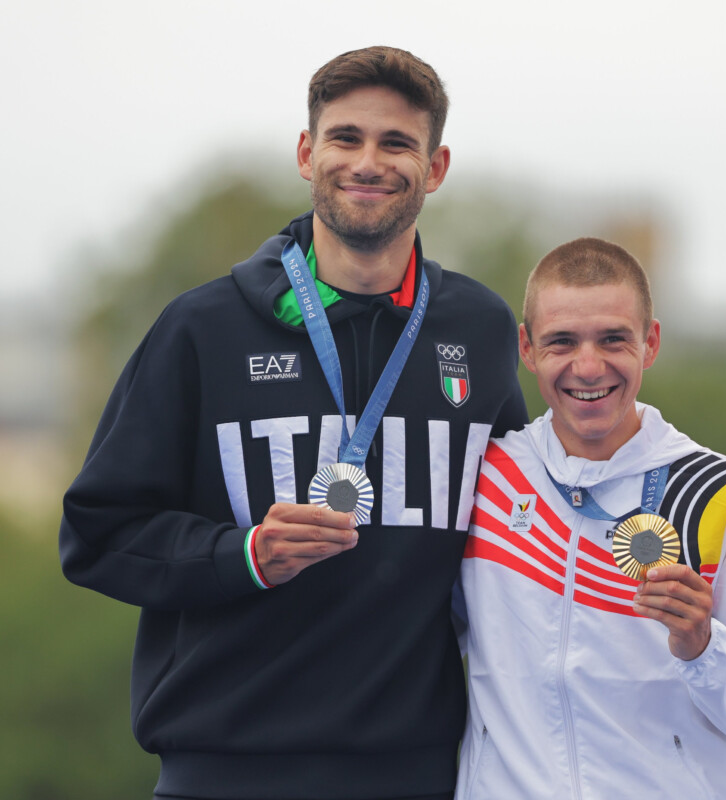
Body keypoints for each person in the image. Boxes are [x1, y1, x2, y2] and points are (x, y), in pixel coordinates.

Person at [59, 46, 526, 800]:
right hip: (225, 770)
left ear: (435, 167)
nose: (367, 162)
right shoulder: (201, 330)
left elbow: (518, 534)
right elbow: (98, 533)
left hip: (421, 773)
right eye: (345, 138)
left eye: (396, 143)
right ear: (308, 154)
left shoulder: (478, 328)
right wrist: (241, 554)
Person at [455, 237, 726, 799]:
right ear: (527, 349)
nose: (589, 366)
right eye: (562, 341)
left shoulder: (720, 494)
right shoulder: (482, 476)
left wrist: (703, 645)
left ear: (649, 342)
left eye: (613, 339)